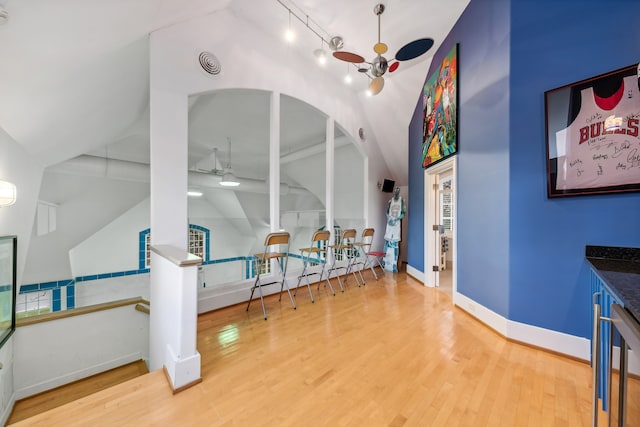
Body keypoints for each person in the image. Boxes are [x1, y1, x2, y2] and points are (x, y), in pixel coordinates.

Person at [383, 187, 405, 272]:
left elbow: (403, 213)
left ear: (399, 192)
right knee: (387, 243)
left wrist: (396, 219)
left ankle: (394, 264)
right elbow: (387, 212)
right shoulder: (390, 201)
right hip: (389, 224)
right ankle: (385, 262)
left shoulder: (401, 201)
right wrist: (389, 218)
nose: (396, 191)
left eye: (398, 190)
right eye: (395, 190)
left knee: (395, 244)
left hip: (396, 225)